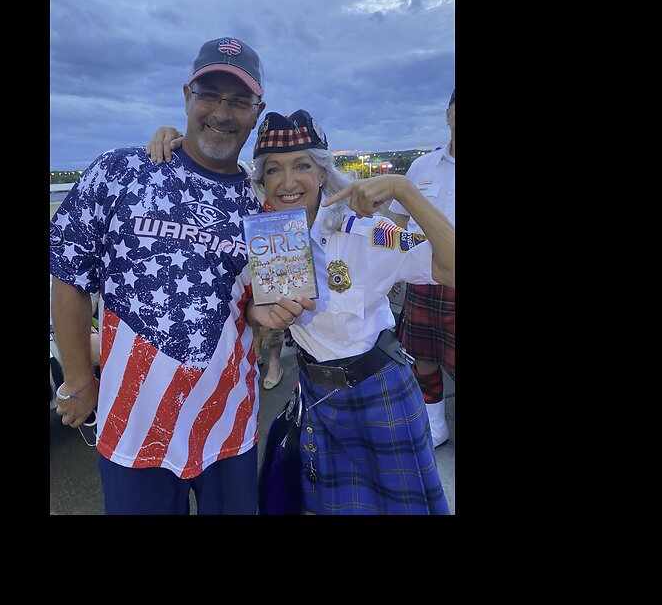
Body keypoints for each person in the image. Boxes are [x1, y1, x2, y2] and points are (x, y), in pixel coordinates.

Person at [50, 36, 312, 515]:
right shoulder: (121, 172)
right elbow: (67, 274)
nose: (222, 111)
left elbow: (255, 304)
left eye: (238, 101)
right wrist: (77, 379)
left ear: (258, 111)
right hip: (132, 428)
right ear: (186, 96)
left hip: (227, 429)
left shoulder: (264, 205)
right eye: (209, 94)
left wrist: (271, 313)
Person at [148, 109, 454, 515]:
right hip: (315, 395)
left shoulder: (365, 233)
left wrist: (403, 189)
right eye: (274, 170)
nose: (288, 182)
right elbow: (208, 164)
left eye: (303, 165)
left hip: (379, 395)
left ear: (323, 172)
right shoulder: (265, 232)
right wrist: (175, 140)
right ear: (261, 182)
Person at [389, 88, 456, 447]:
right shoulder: (421, 167)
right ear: (447, 115)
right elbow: (398, 222)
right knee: (422, 357)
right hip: (420, 278)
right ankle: (435, 426)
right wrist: (392, 268)